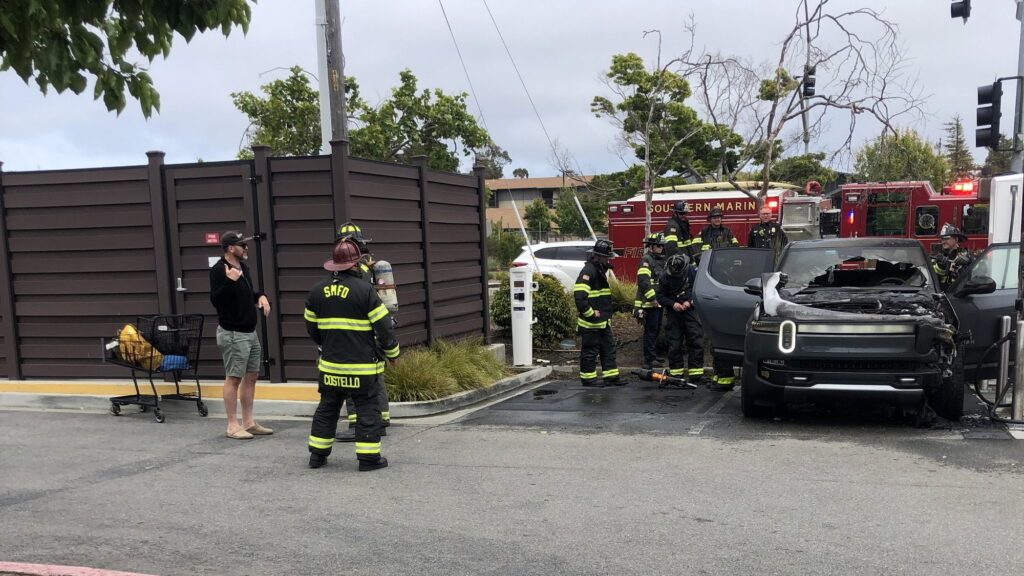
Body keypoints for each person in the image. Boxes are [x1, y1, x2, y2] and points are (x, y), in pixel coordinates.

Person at [305, 239, 400, 470]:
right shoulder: (364, 290)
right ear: (356, 264)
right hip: (362, 368)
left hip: (330, 367)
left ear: (334, 265)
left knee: (327, 408)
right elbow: (384, 327)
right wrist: (393, 353)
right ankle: (368, 459)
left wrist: (328, 343)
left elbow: (312, 329)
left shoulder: (316, 292)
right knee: (368, 409)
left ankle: (317, 457)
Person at [331, 222, 393, 443]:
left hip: (358, 332)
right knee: (376, 377)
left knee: (352, 378)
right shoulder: (371, 264)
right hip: (375, 328)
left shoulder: (357, 270)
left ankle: (357, 423)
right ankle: (381, 419)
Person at [209, 231, 273, 439]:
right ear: (230, 247)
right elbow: (216, 300)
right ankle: (232, 425)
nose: (246, 249)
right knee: (234, 378)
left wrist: (261, 297)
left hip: (249, 332)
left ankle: (248, 422)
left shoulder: (243, 268)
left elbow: (248, 292)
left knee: (251, 376)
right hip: (233, 333)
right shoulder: (220, 269)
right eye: (242, 245)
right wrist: (230, 281)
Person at [574, 239, 621, 387]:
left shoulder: (599, 270)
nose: (608, 260)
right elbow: (580, 297)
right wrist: (591, 314)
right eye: (606, 257)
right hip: (591, 323)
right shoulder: (589, 271)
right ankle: (589, 379)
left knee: (608, 349)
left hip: (602, 323)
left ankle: (611, 378)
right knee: (590, 352)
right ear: (598, 256)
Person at [656, 254, 707, 386]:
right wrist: (672, 304)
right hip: (674, 313)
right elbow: (660, 295)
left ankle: (696, 374)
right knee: (674, 342)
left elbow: (700, 289)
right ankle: (676, 374)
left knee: (695, 340)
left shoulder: (692, 271)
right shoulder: (665, 276)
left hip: (690, 311)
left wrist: (690, 302)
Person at [633, 233, 667, 370]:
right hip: (649, 303)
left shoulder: (659, 260)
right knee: (650, 331)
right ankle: (649, 360)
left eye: (662, 246)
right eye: (658, 245)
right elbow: (643, 282)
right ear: (651, 246)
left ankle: (652, 355)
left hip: (657, 303)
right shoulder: (646, 260)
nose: (661, 248)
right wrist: (652, 298)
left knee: (656, 330)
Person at [932, 223, 974, 291]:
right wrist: (941, 266)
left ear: (956, 239)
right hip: (942, 292)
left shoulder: (967, 255)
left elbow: (979, 271)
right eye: (942, 239)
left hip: (959, 293)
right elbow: (932, 277)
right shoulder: (938, 255)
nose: (943, 242)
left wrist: (969, 262)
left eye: (946, 238)